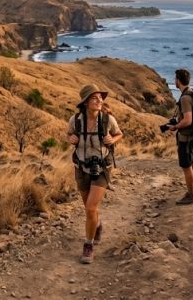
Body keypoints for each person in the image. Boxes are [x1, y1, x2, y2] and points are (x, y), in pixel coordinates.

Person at [66, 84, 123, 264]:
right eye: (94, 98)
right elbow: (68, 134)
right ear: (85, 102)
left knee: (91, 208)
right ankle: (97, 225)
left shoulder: (108, 120)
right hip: (81, 167)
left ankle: (88, 245)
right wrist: (71, 138)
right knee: (89, 208)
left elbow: (119, 134)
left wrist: (112, 139)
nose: (99, 101)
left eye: (100, 98)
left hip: (102, 167)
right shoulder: (75, 120)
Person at [167, 69, 193, 205]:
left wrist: (175, 127)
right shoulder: (192, 93)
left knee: (186, 166)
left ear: (178, 80)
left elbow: (188, 120)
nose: (174, 81)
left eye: (175, 78)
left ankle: (190, 195)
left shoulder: (185, 98)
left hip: (186, 138)